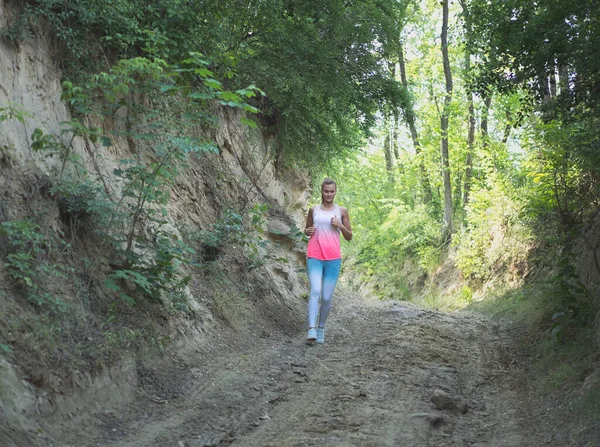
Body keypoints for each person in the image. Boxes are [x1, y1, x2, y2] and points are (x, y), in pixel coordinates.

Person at [304, 178, 352, 344]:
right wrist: (307, 231)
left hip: (333, 258)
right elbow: (307, 229)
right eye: (326, 191)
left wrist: (340, 225)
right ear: (322, 192)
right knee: (315, 290)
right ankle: (311, 328)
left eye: (332, 191)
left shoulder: (342, 211)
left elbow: (349, 236)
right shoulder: (313, 210)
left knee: (326, 298)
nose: (329, 194)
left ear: (335, 192)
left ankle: (321, 327)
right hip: (314, 255)